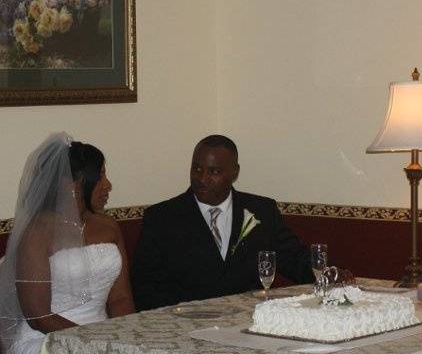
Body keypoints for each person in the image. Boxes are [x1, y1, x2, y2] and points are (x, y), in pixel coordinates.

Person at [131, 134, 313, 311]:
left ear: (235, 172)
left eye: (214, 172)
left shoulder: (262, 211)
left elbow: (294, 258)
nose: (202, 179)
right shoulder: (162, 218)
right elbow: (145, 286)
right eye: (197, 169)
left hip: (249, 320)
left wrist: (331, 272)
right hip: (187, 323)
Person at [0, 133, 134, 354]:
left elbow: (121, 299)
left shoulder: (108, 226)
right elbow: (38, 317)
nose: (108, 185)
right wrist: (92, 342)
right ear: (72, 185)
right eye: (99, 177)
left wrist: (128, 337)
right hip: (47, 340)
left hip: (104, 337)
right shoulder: (37, 233)